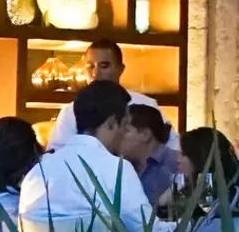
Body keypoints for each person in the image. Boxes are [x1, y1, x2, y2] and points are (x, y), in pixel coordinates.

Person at [19, 81, 174, 232]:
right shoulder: (116, 169)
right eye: (125, 125)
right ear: (111, 123)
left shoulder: (38, 171)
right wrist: (195, 224)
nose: (125, 134)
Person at [46, 41, 175, 151]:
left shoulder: (147, 105)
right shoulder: (70, 111)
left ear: (120, 69)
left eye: (104, 66)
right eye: (90, 66)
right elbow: (56, 153)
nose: (95, 73)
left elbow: (172, 150)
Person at [119, 104, 180, 211]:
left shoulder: (177, 163)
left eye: (126, 130)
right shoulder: (119, 167)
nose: (118, 135)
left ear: (145, 135)